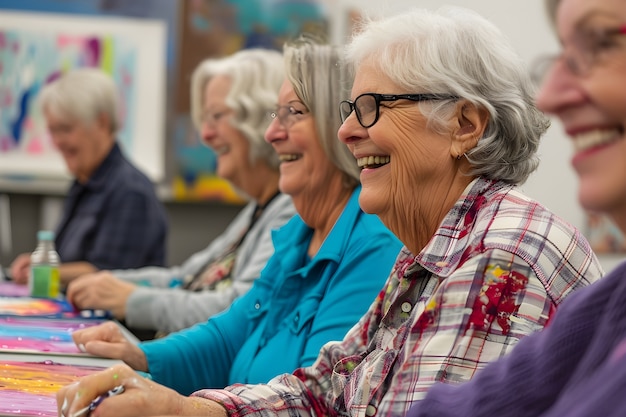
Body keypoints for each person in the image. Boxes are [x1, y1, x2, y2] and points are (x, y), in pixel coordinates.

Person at [56, 8, 605, 417]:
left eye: (372, 107)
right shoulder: (439, 245)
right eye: (347, 109)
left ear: (464, 126)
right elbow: (331, 385)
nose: (346, 131)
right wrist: (184, 409)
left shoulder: (499, 254)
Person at [57, 36, 402, 405]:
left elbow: (317, 398)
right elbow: (229, 334)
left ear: (341, 126)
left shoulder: (371, 240)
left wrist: (185, 410)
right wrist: (140, 355)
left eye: (294, 113)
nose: (272, 133)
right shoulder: (300, 233)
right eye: (275, 115)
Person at [404, 0, 626, 416]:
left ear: (465, 126)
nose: (549, 95)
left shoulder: (508, 248)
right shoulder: (614, 302)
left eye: (598, 44)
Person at [64, 49, 296, 335]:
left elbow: (242, 307)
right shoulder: (259, 209)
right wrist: (107, 283)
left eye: (217, 116)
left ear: (260, 119)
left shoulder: (289, 208)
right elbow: (185, 278)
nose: (206, 134)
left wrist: (130, 299)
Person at [9, 68, 168, 285]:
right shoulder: (83, 182)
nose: (57, 142)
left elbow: (109, 274)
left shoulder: (131, 191)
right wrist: (40, 264)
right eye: (52, 131)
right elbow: (68, 261)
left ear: (102, 123)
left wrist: (42, 271)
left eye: (65, 130)